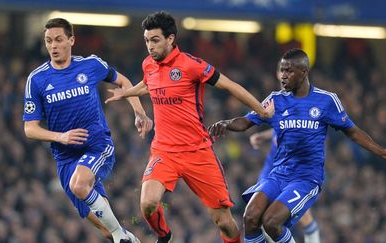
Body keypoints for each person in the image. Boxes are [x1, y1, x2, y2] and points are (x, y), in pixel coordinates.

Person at [105, 11, 274, 243]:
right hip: (164, 151)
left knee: (224, 222)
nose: (149, 46)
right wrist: (127, 93)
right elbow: (148, 84)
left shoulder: (191, 65)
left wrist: (262, 111)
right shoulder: (149, 65)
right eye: (146, 41)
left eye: (155, 40)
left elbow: (230, 86)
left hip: (197, 152)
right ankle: (165, 237)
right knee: (148, 204)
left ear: (170, 39)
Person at [208, 48, 386, 243]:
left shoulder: (326, 101)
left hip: (306, 178)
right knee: (250, 217)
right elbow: (246, 122)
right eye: (282, 70)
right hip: (279, 174)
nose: (283, 76)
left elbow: (353, 132)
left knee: (271, 222)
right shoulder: (276, 99)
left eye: (289, 71)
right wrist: (226, 123)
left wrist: (382, 151)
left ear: (303, 73)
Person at [22, 18, 152, 243]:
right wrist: (60, 136)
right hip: (65, 159)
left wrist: (138, 111)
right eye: (48, 41)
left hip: (97, 145)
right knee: (105, 230)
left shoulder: (91, 65)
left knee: (80, 185)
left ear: (71, 40)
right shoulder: (37, 79)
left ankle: (122, 236)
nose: (53, 46)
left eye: (59, 40)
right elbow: (30, 128)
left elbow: (123, 82)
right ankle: (128, 238)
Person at [249, 129, 320, 243]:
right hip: (271, 169)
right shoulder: (283, 115)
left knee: (302, 216)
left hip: (294, 172)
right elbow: (279, 126)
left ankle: (313, 238)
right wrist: (263, 135)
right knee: (259, 214)